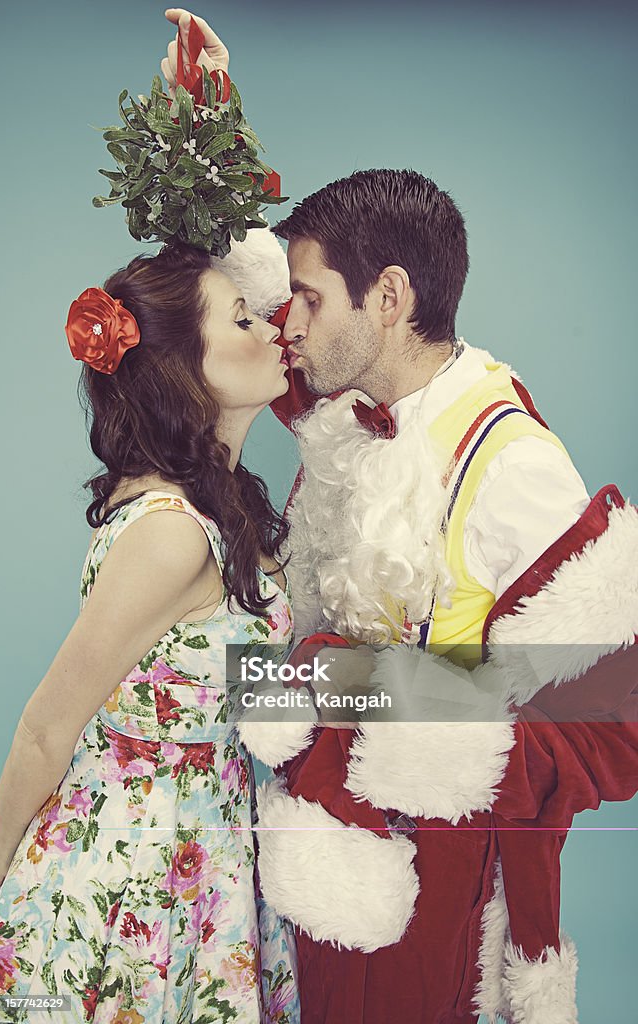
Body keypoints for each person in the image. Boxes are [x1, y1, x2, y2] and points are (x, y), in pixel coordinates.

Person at [162, 11, 638, 1024]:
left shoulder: (514, 467)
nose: (285, 324)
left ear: (388, 297)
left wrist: (364, 704)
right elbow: (225, 310)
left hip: (445, 891)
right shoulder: (340, 402)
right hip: (326, 854)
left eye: (309, 300)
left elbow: (621, 721)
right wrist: (203, 121)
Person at [0, 208, 300, 1019]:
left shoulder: (217, 503)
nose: (271, 330)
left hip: (202, 850)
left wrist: (457, 690)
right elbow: (46, 728)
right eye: (240, 319)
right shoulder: (170, 532)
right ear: (184, 369)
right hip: (133, 871)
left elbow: (259, 691)